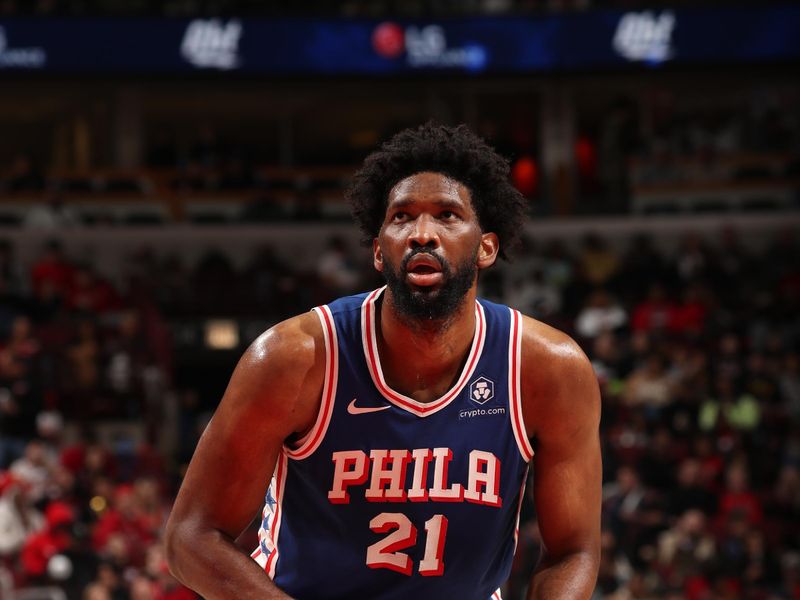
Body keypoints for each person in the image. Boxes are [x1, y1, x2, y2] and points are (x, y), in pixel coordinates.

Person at [165, 123, 601, 599]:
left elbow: (574, 550)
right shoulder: (296, 357)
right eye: (401, 217)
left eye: (447, 215)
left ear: (487, 247)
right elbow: (192, 536)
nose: (421, 234)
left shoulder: (548, 369)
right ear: (378, 251)